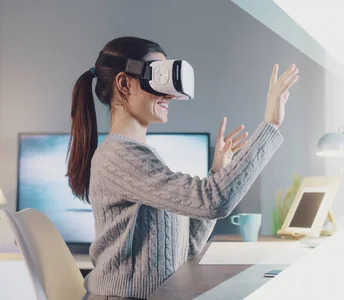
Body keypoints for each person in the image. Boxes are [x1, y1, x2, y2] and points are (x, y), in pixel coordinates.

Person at [67, 36, 299, 299]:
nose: (170, 94)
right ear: (124, 83)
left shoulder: (138, 156)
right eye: (158, 78)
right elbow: (214, 201)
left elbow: (187, 247)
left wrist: (217, 173)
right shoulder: (119, 156)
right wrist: (270, 125)